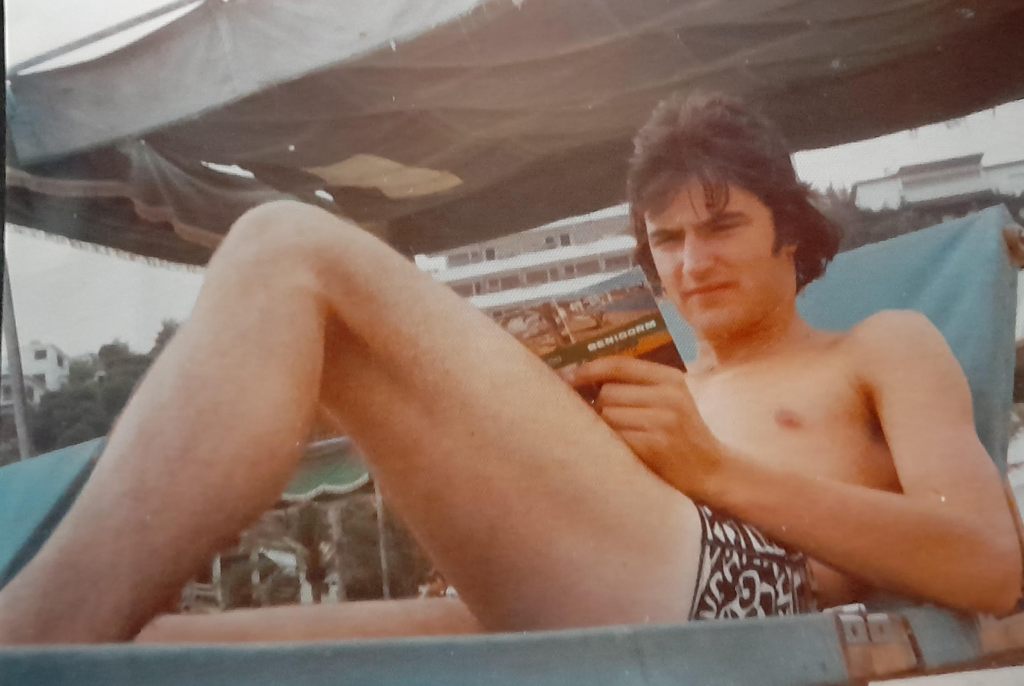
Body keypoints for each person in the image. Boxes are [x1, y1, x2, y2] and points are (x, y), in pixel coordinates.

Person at [0, 94, 1019, 645]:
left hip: (749, 601)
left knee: (287, 245)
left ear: (789, 230)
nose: (690, 262)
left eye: (721, 227)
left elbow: (990, 564)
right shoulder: (671, 383)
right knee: (161, 645)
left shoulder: (877, 345)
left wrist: (715, 471)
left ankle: (18, 642)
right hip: (602, 591)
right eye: (666, 239)